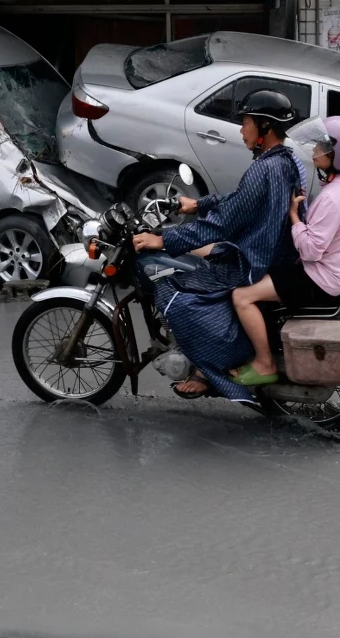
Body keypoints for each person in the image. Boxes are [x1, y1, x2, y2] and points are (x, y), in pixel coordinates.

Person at [131, 89, 308, 403]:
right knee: (200, 260)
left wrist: (164, 239)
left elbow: (224, 222)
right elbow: (240, 203)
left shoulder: (263, 169)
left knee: (178, 292)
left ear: (265, 128)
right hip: (276, 253)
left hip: (254, 261)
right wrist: (199, 204)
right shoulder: (287, 162)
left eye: (247, 123)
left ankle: (206, 369)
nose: (242, 130)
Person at [230, 116, 340, 386]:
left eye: (322, 147)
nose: (314, 151)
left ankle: (264, 364)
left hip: (322, 281)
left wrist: (294, 218)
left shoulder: (334, 196)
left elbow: (311, 250)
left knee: (242, 296)